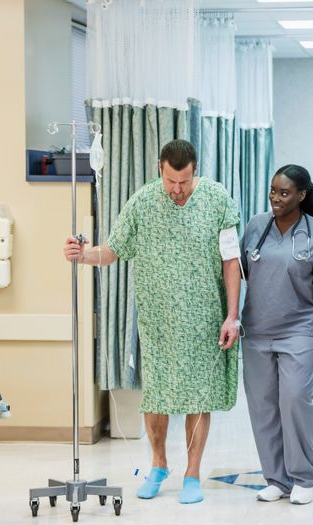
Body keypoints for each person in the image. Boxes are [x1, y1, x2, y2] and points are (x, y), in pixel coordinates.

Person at [64, 139, 241, 505]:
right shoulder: (142, 202)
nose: (178, 190)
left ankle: (192, 473)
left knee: (198, 396)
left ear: (196, 171)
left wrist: (232, 315)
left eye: (185, 182)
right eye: (172, 181)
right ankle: (158, 464)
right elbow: (112, 251)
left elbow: (231, 262)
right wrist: (83, 256)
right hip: (157, 322)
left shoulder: (218, 199)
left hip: (204, 318)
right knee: (156, 397)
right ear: (160, 167)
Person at [239, 164, 313, 505]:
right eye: (273, 191)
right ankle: (276, 479)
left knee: (295, 400)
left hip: (300, 331)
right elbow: (235, 271)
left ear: (301, 195)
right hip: (257, 332)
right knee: (263, 406)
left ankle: (303, 477)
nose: (276, 198)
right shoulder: (256, 227)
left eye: (284, 193)